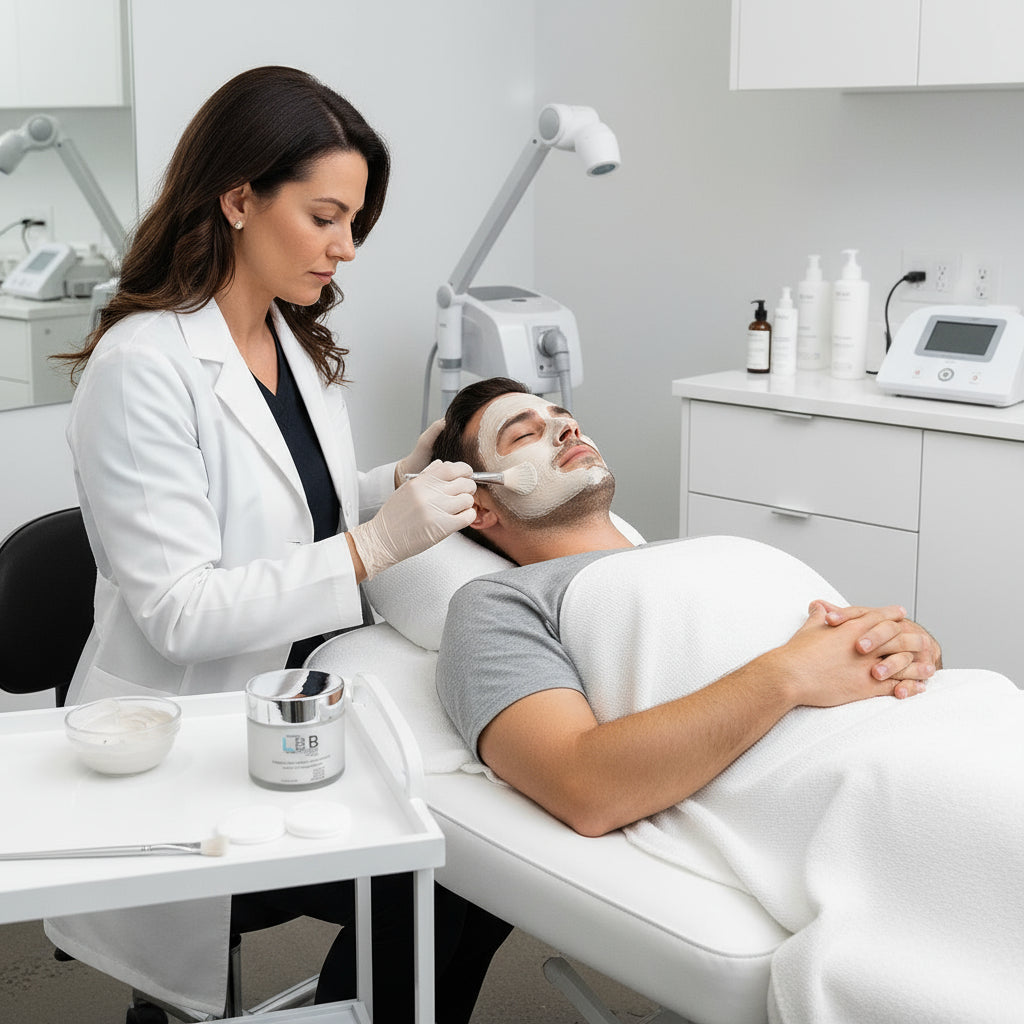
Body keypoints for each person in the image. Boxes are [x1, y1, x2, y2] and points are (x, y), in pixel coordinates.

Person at [46, 68, 509, 1022]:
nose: (344, 250)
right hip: (193, 749)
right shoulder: (144, 368)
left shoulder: (284, 339)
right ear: (240, 197)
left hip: (300, 704)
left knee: (466, 880)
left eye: (355, 224)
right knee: (442, 881)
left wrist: (396, 486)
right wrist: (378, 543)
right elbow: (181, 612)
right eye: (327, 217)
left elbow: (296, 507)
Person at [432, 377, 1024, 1024]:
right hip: (879, 779)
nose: (566, 429)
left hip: (969, 714)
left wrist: (908, 645)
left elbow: (840, 653)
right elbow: (580, 783)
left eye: (564, 417)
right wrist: (786, 676)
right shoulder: (497, 605)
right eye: (525, 434)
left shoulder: (711, 550)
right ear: (483, 507)